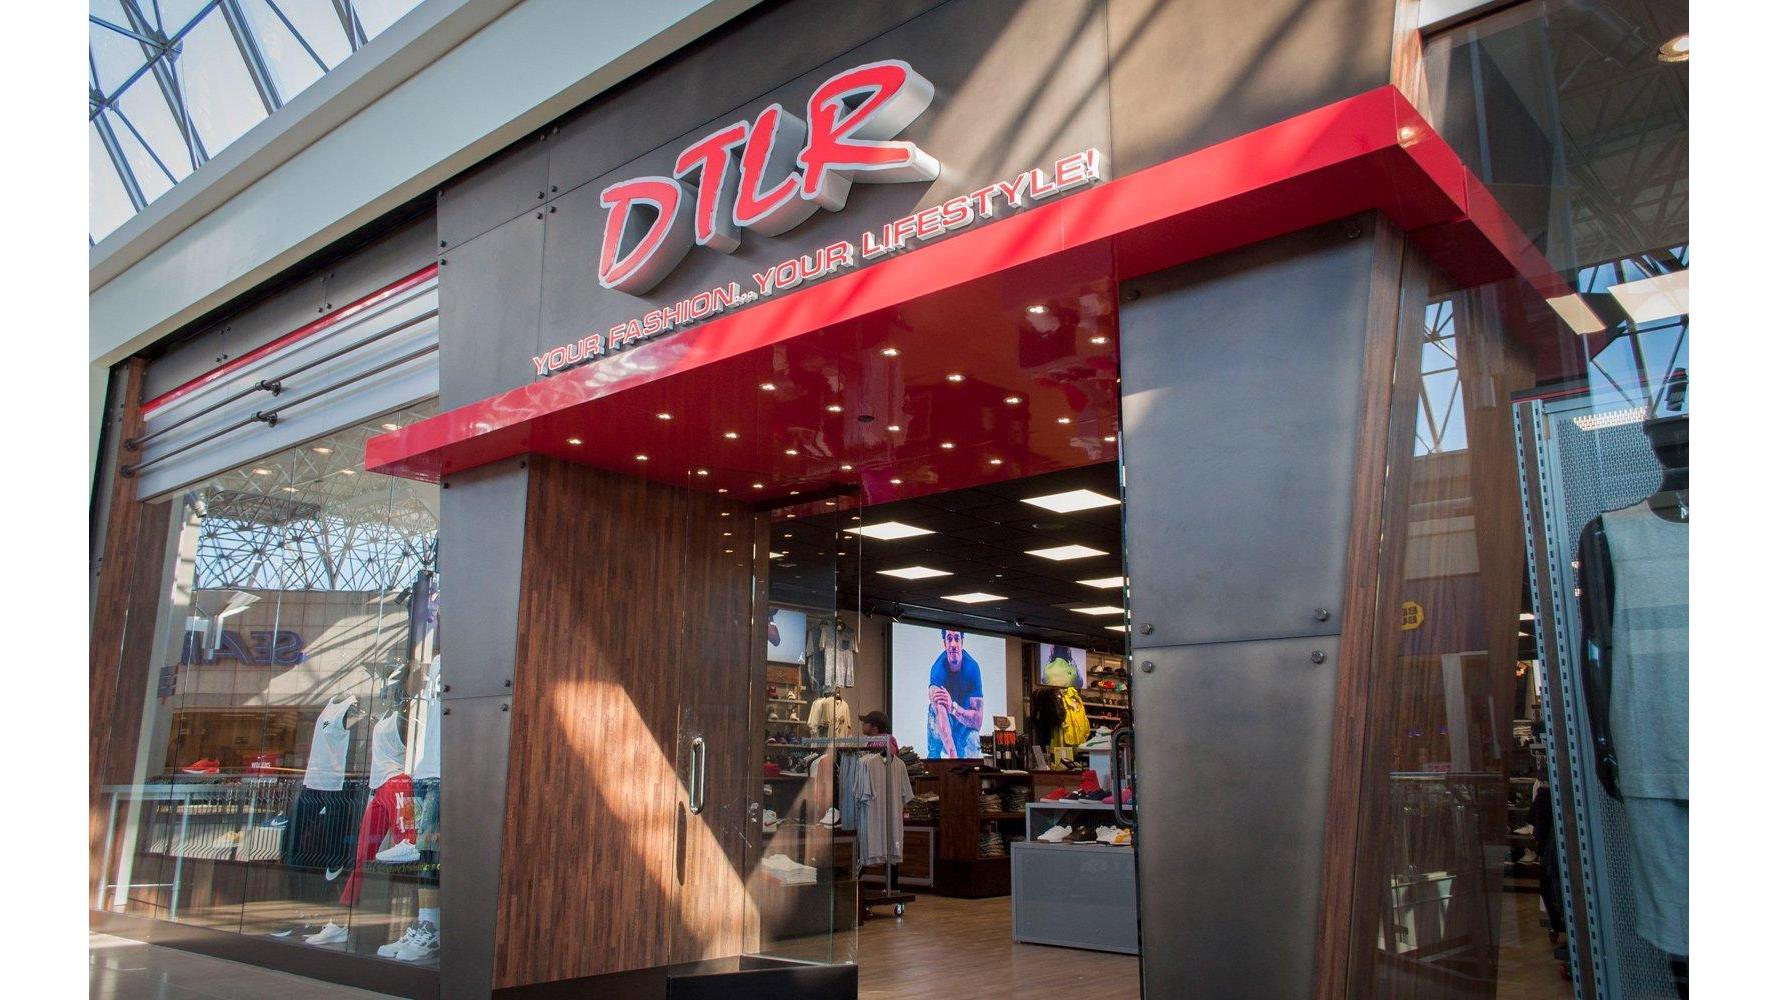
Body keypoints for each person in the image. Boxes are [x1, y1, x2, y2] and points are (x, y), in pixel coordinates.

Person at [927, 629, 984, 758]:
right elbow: (941, 714)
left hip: (963, 726)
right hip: (945, 728)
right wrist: (953, 756)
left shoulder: (972, 668)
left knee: (974, 737)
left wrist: (953, 707)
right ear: (944, 643)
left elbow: (978, 721)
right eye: (949, 639)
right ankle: (933, 762)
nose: (953, 644)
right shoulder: (937, 669)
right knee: (933, 710)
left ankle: (970, 770)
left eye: (957, 639)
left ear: (962, 643)